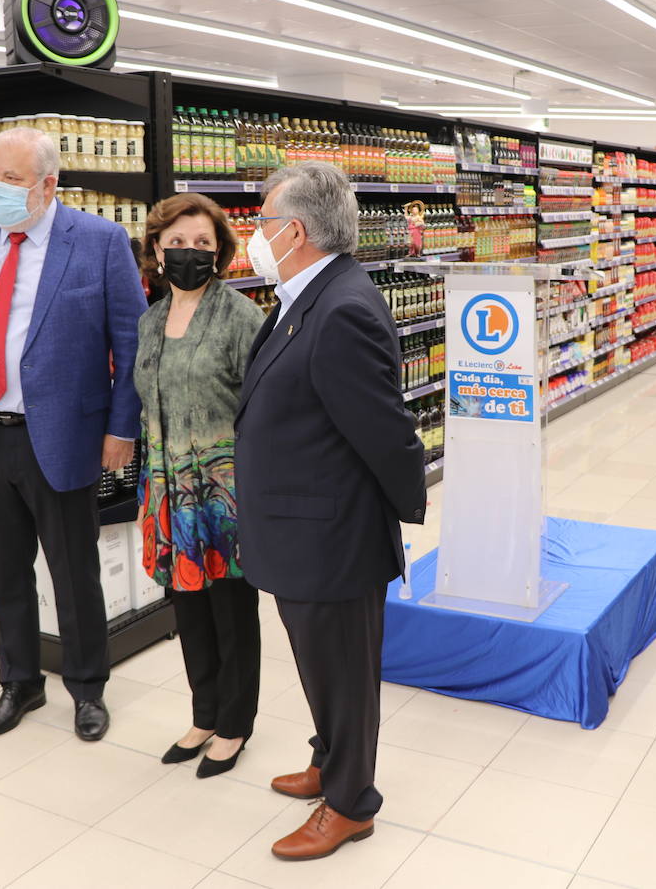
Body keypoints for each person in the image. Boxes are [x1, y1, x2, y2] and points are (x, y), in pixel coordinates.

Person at [234, 162, 426, 860]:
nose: (253, 234)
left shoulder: (343, 307)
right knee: (318, 664)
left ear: (294, 230)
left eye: (260, 221)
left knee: (343, 671)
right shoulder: (302, 293)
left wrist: (400, 510)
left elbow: (384, 430)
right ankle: (328, 756)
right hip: (298, 528)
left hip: (333, 536)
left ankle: (350, 803)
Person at [0, 128, 145, 741]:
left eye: (12, 179)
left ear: (48, 185)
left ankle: (87, 688)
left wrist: (121, 429)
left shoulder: (100, 242)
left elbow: (130, 346)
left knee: (73, 571)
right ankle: (19, 682)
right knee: (4, 569)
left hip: (61, 434)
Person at [134, 193, 264, 779]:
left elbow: (264, 406)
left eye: (203, 244)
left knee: (232, 609)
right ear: (157, 248)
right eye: (178, 243)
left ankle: (235, 724)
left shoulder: (240, 317)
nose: (189, 252)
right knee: (188, 607)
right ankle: (203, 712)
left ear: (221, 253)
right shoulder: (151, 320)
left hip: (226, 493)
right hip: (168, 491)